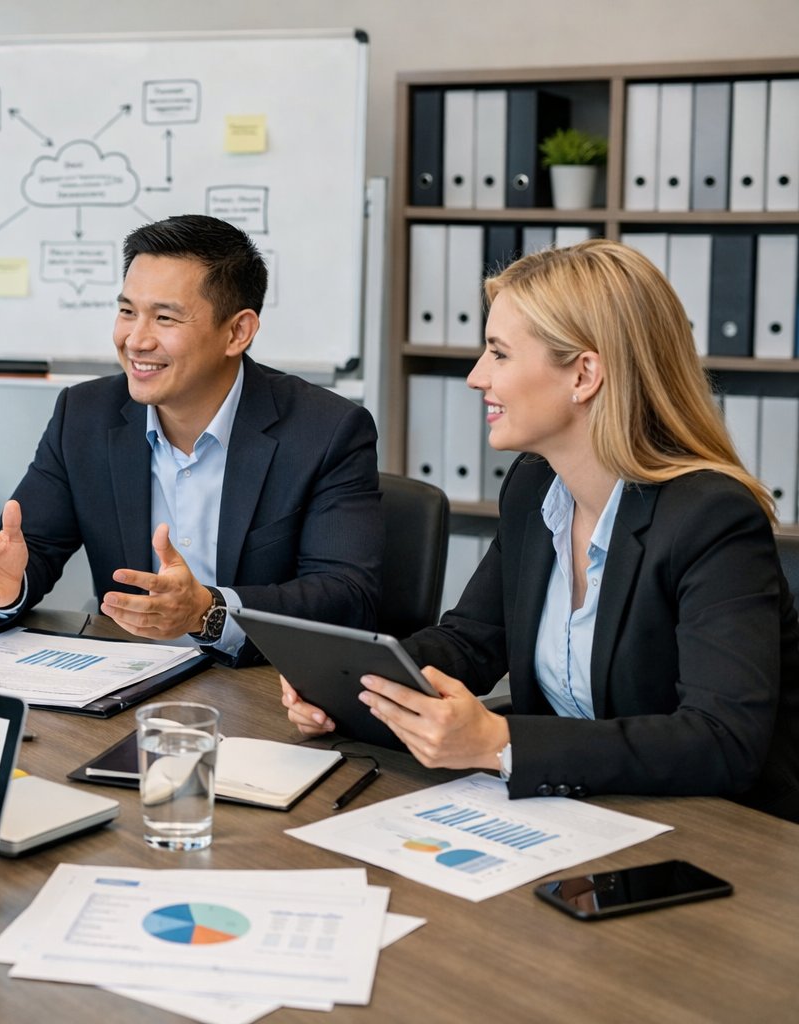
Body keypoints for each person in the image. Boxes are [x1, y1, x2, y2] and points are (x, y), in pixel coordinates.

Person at [283, 239, 799, 820]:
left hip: (717, 833)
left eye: (499, 354)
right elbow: (472, 640)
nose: (476, 377)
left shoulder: (712, 518)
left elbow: (722, 740)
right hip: (575, 814)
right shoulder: (534, 486)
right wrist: (348, 683)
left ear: (584, 374)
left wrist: (500, 742)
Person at [0, 214, 381, 664]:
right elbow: (25, 551)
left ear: (237, 332)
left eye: (165, 317)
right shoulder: (85, 416)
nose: (135, 340)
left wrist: (208, 611)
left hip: (262, 685)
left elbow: (347, 598)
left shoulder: (326, 430)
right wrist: (7, 588)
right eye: (127, 312)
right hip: (129, 681)